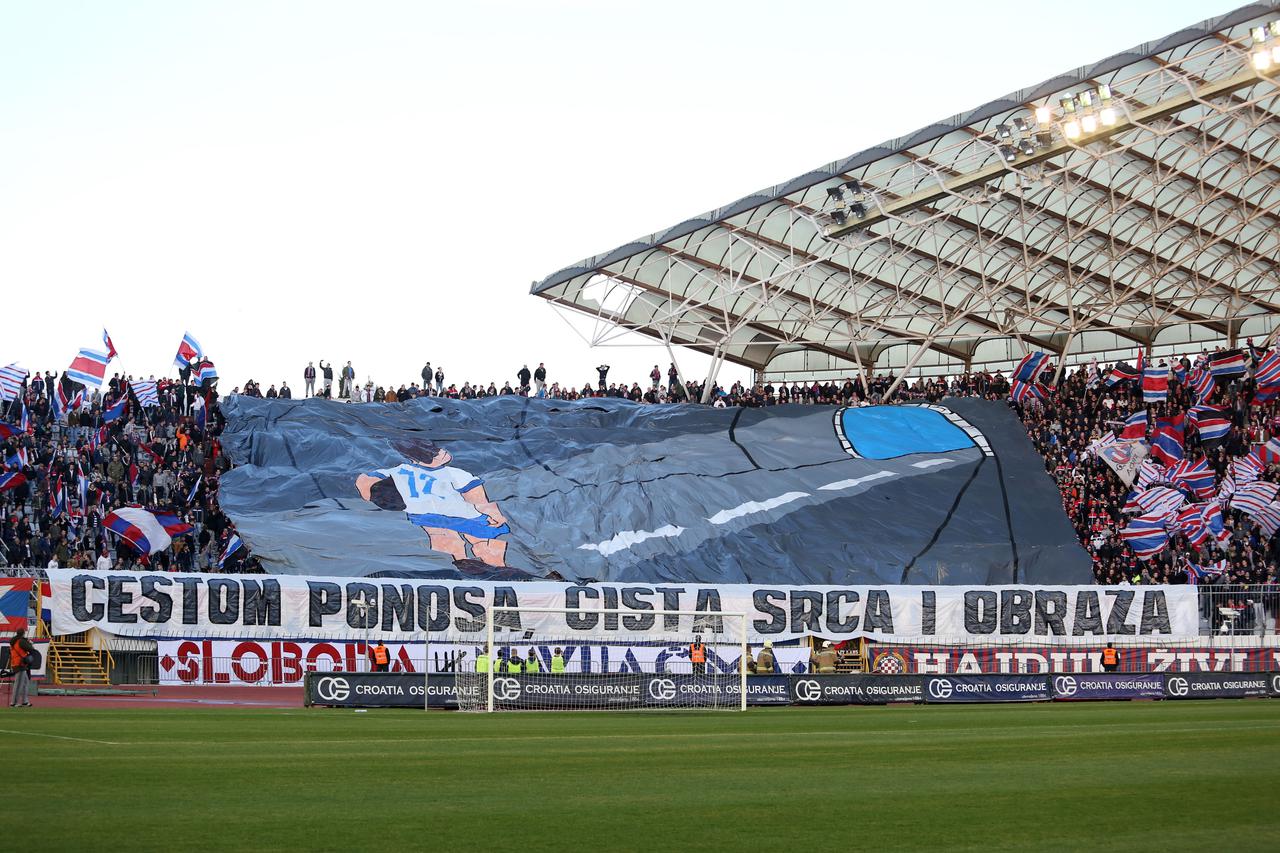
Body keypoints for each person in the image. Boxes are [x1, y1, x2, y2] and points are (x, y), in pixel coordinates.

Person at [355, 438, 512, 568]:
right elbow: (477, 499)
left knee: (444, 539)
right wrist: (493, 513)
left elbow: (364, 481)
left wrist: (382, 497)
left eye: (438, 450)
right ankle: (498, 567)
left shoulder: (399, 471)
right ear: (415, 459)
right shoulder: (454, 474)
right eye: (435, 454)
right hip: (464, 515)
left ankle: (459, 565)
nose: (442, 453)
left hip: (424, 515)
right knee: (482, 541)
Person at [7, 627, 35, 707]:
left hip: (17, 663)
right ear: (23, 633)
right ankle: (14, 702)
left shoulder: (14, 640)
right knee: (18, 683)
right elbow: (30, 648)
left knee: (25, 682)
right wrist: (30, 643)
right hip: (20, 664)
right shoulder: (21, 641)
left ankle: (25, 701)